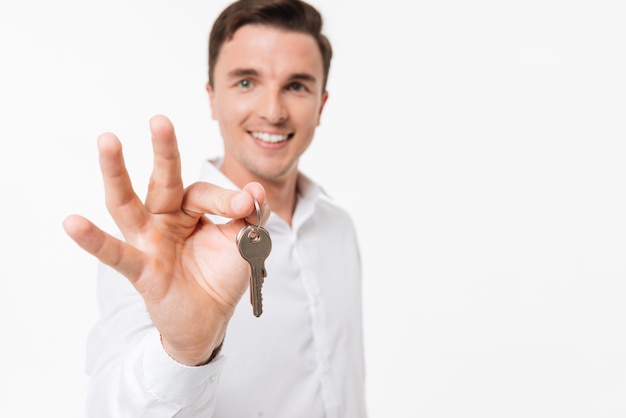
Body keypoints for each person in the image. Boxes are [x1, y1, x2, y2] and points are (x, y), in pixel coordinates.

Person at [63, 0, 367, 416]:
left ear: (321, 104)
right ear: (211, 98)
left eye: (296, 85)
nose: (273, 111)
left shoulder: (338, 227)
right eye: (246, 82)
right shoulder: (159, 243)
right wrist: (185, 351)